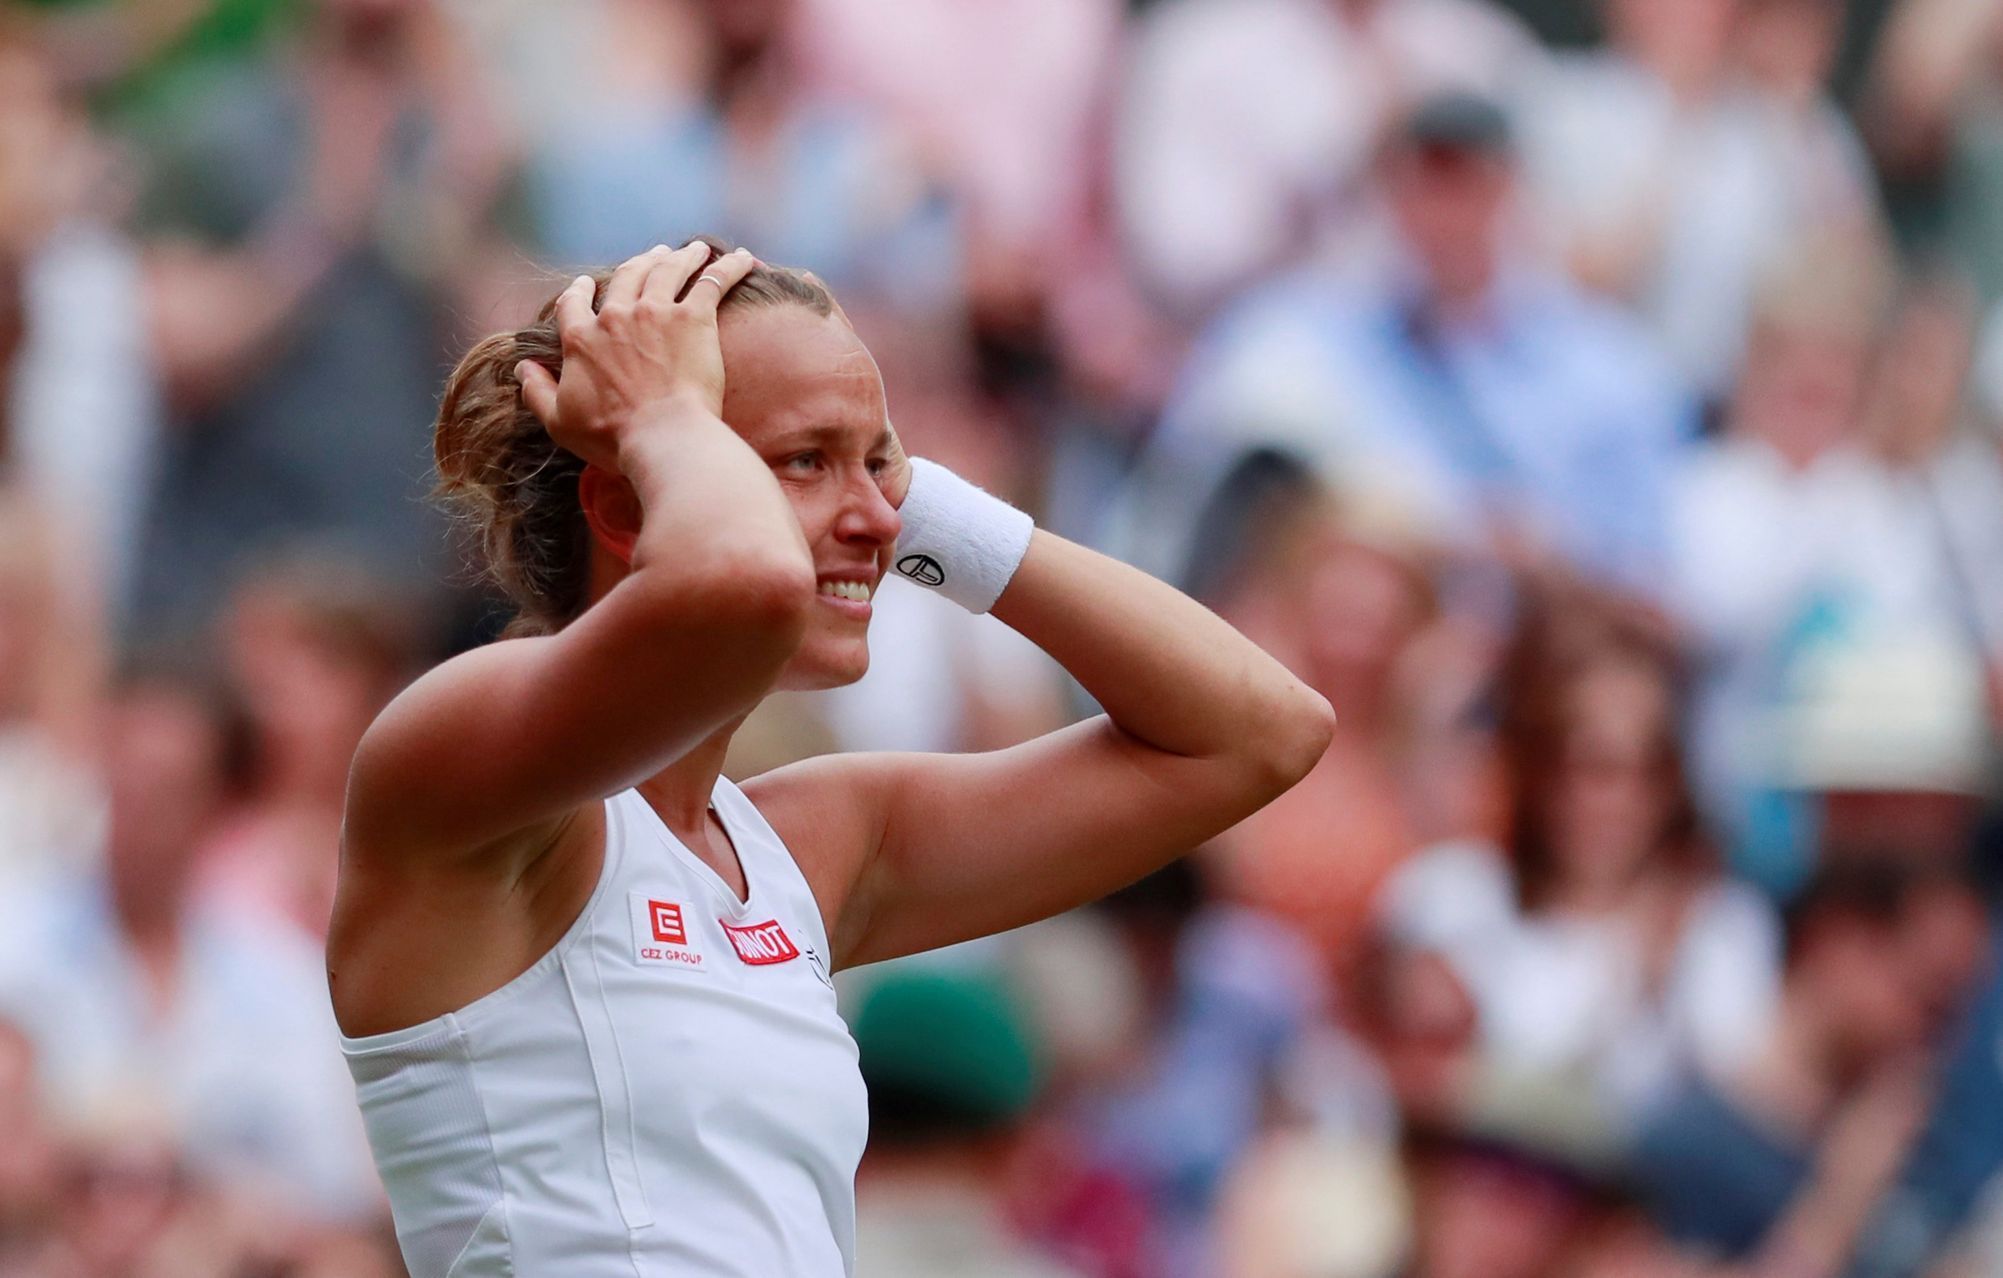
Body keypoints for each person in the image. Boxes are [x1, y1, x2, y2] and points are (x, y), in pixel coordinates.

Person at [328, 238, 1335, 1277]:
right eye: (803, 460)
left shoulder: (807, 847)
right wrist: (667, 417)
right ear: (626, 503)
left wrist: (914, 497)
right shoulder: (452, 752)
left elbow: (1258, 732)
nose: (874, 520)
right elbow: (742, 588)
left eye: (879, 463)